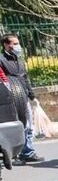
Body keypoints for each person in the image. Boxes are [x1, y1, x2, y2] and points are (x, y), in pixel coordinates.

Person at [1, 33, 44, 162]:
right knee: (16, 126)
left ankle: (28, 152)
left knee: (28, 124)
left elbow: (25, 79)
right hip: (10, 100)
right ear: (6, 45)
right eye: (14, 44)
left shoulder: (19, 60)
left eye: (18, 43)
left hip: (23, 97)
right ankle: (14, 154)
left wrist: (32, 95)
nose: (18, 46)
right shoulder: (1, 60)